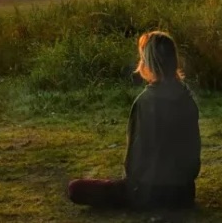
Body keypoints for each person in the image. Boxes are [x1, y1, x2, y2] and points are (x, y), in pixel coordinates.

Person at [67, 31, 201, 210]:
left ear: (149, 63)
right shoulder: (187, 99)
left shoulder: (145, 102)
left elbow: (134, 161)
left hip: (148, 194)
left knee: (75, 188)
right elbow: (193, 154)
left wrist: (134, 184)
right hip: (184, 194)